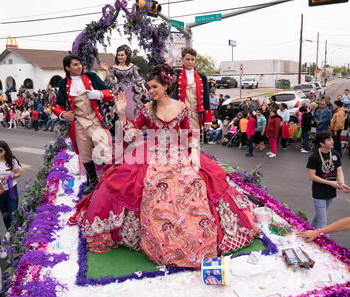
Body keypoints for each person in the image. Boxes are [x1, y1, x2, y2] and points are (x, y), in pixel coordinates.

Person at [68, 64, 260, 268]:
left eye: (153, 87)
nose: (150, 91)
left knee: (197, 180)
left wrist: (194, 151)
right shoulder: (146, 109)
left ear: (165, 86)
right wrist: (122, 115)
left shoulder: (181, 108)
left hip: (178, 153)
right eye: (149, 88)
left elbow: (188, 134)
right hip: (150, 152)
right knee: (135, 182)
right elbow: (131, 136)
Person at [52, 53, 115, 196]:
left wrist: (99, 94)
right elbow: (57, 105)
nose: (79, 66)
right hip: (79, 123)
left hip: (95, 120)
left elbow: (110, 93)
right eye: (75, 64)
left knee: (103, 146)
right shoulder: (63, 84)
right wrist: (63, 114)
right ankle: (92, 180)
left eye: (80, 63)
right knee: (85, 152)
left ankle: (109, 177)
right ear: (67, 68)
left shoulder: (91, 77)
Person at [306, 132, 349, 229]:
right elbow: (311, 176)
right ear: (321, 143)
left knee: (319, 215)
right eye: (329, 140)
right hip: (319, 192)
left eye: (332, 139)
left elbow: (340, 171)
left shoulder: (335, 154)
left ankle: (308, 230)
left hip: (331, 191)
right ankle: (323, 241)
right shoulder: (314, 157)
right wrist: (330, 182)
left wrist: (342, 184)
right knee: (322, 220)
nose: (332, 141)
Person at [100, 44, 148, 125]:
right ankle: (121, 130)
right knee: (119, 109)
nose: (120, 57)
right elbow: (110, 81)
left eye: (122, 55)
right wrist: (107, 71)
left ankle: (135, 127)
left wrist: (143, 86)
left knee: (134, 107)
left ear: (127, 56)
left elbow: (137, 77)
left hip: (132, 90)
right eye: (118, 55)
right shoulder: (114, 68)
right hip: (119, 90)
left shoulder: (132, 67)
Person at [173, 47, 212, 133]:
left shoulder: (202, 78)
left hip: (195, 115)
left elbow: (206, 99)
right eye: (187, 59)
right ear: (182, 59)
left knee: (194, 143)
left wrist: (207, 120)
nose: (190, 62)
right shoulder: (176, 74)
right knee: (181, 143)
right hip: (179, 116)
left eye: (192, 59)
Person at [0, 141, 21, 240]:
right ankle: (9, 231)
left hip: (11, 189)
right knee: (5, 214)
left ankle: (15, 232)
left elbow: (18, 173)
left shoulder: (12, 160)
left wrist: (11, 176)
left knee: (13, 213)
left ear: (5, 150)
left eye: (0, 150)